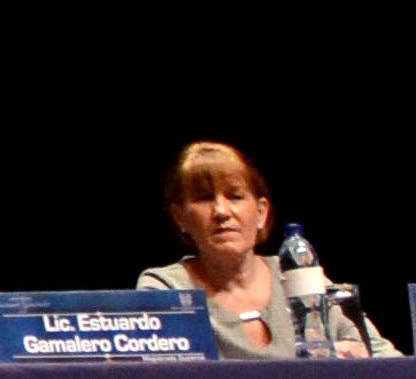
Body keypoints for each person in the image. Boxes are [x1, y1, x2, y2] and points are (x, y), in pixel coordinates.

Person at [132, 141, 394, 358]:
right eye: (204, 198)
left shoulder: (296, 276)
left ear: (260, 212)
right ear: (180, 218)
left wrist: (357, 355)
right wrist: (317, 360)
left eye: (235, 196)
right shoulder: (165, 288)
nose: (222, 212)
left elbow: (386, 358)